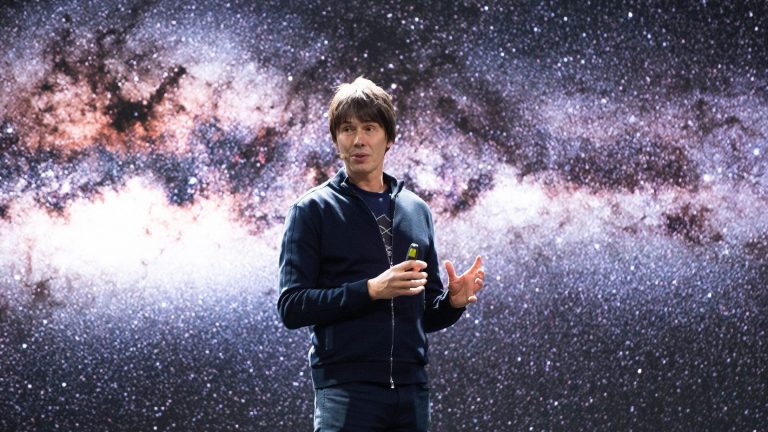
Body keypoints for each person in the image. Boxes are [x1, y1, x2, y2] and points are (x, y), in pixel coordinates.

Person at [277, 76, 485, 432]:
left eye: (369, 128)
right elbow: (292, 307)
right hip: (346, 392)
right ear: (336, 139)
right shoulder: (311, 210)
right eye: (347, 129)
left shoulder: (417, 210)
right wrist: (371, 289)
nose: (358, 139)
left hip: (411, 392)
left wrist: (452, 303)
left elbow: (424, 313)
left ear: (389, 138)